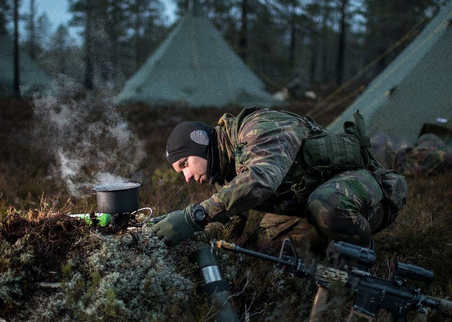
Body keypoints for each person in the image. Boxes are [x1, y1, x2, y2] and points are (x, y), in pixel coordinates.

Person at [152, 107, 407, 253]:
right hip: (309, 205)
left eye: (184, 164)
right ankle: (330, 254)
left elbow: (261, 179)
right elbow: (227, 225)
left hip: (367, 194)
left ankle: (363, 261)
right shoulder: (225, 168)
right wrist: (175, 233)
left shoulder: (258, 128)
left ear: (201, 142)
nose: (186, 177)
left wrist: (194, 216)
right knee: (261, 250)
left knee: (327, 205)